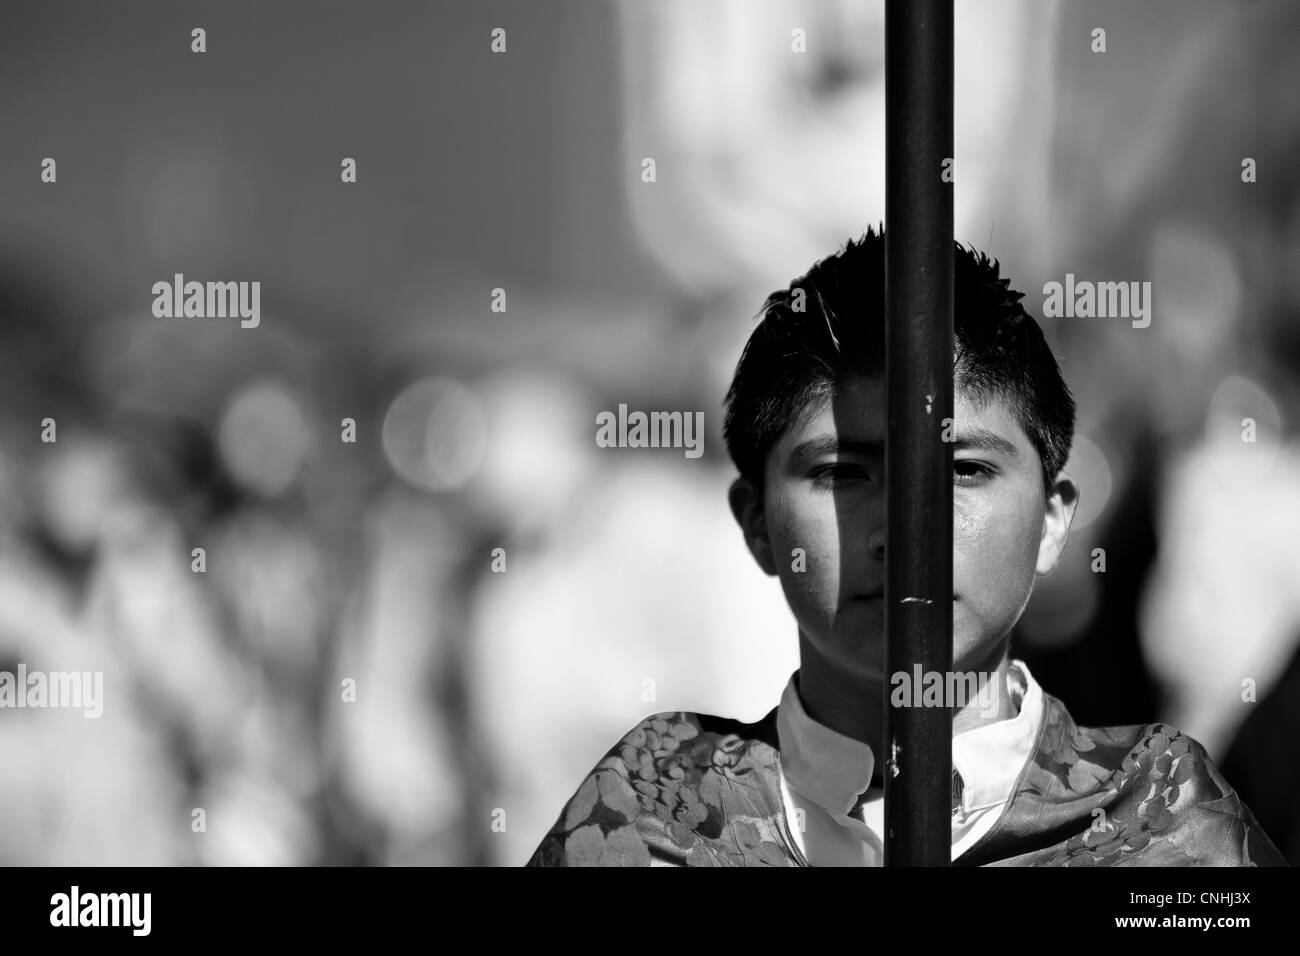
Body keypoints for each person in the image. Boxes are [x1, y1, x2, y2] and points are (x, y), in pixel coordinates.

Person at [525, 227, 1284, 866]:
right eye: (843, 474)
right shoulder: (648, 822)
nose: (909, 531)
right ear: (756, 523)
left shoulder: (1161, 826)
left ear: (1054, 517)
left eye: (965, 470)